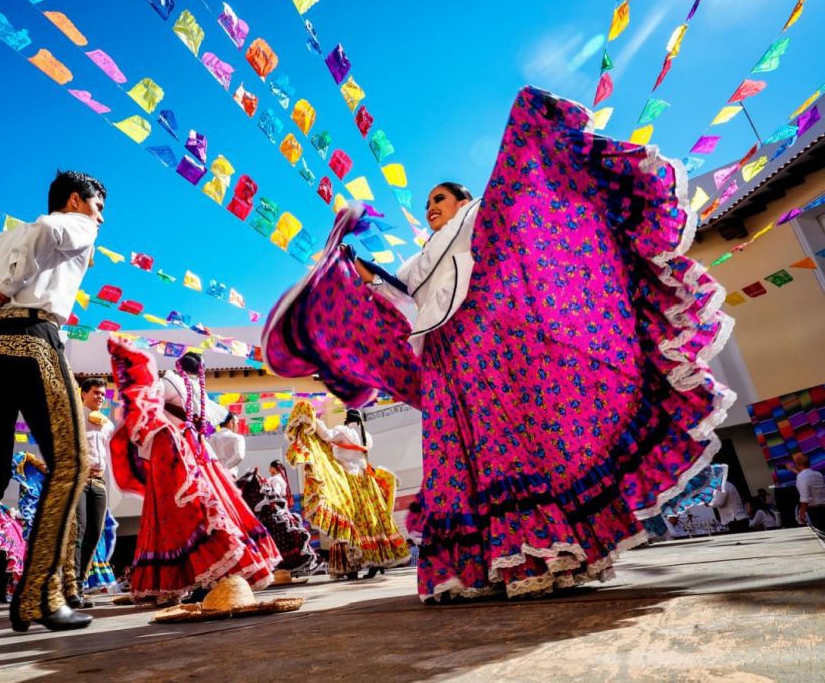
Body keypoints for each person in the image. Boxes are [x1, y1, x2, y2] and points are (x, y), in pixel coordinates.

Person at [264, 87, 735, 601]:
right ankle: (483, 565)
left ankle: (546, 549)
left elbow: (518, 221)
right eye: (426, 206)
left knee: (510, 444)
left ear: (462, 199)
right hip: (445, 361)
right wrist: (356, 274)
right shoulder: (421, 257)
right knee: (458, 456)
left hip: (490, 348)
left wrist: (527, 135)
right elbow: (396, 297)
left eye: (438, 200)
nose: (431, 210)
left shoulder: (481, 217)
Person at [0, 170, 105, 650]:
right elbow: (51, 232)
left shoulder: (6, 236)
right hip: (32, 342)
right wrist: (7, 287)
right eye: (99, 206)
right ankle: (40, 595)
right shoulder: (71, 224)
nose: (101, 218)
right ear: (77, 199)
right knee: (73, 463)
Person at [106, 339, 280, 603]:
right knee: (210, 511)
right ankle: (211, 577)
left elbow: (145, 403)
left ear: (178, 365)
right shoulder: (202, 394)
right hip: (202, 454)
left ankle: (197, 579)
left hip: (179, 456)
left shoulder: (170, 383)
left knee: (181, 517)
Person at [284, 403, 409, 581]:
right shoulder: (367, 437)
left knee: (352, 520)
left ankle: (354, 565)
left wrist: (312, 418)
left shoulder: (343, 432)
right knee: (372, 521)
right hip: (367, 482)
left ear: (347, 419)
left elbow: (326, 434)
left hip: (350, 480)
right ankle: (377, 561)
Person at [62, 377, 114, 610]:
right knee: (78, 531)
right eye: (95, 392)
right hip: (79, 480)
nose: (100, 397)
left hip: (99, 482)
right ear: (83, 393)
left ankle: (79, 586)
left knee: (95, 532)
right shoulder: (74, 416)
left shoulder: (107, 424)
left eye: (103, 394)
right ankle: (70, 588)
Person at [236, 462, 321, 577]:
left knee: (281, 539)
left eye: (270, 468)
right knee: (285, 539)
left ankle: (285, 566)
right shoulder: (279, 479)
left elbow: (273, 494)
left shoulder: (276, 479)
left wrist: (265, 497)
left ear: (273, 468)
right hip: (277, 510)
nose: (269, 470)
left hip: (274, 512)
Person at [789, 453, 825, 531]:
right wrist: (793, 470)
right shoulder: (818, 474)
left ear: (797, 465)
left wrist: (802, 513)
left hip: (814, 511)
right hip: (823, 506)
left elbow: (805, 497)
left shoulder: (801, 477)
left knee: (820, 534)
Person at [209, 413, 246, 479]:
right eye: (237, 423)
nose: (238, 426)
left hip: (213, 476)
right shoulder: (237, 438)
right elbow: (239, 456)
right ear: (231, 422)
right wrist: (224, 467)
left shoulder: (210, 438)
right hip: (229, 475)